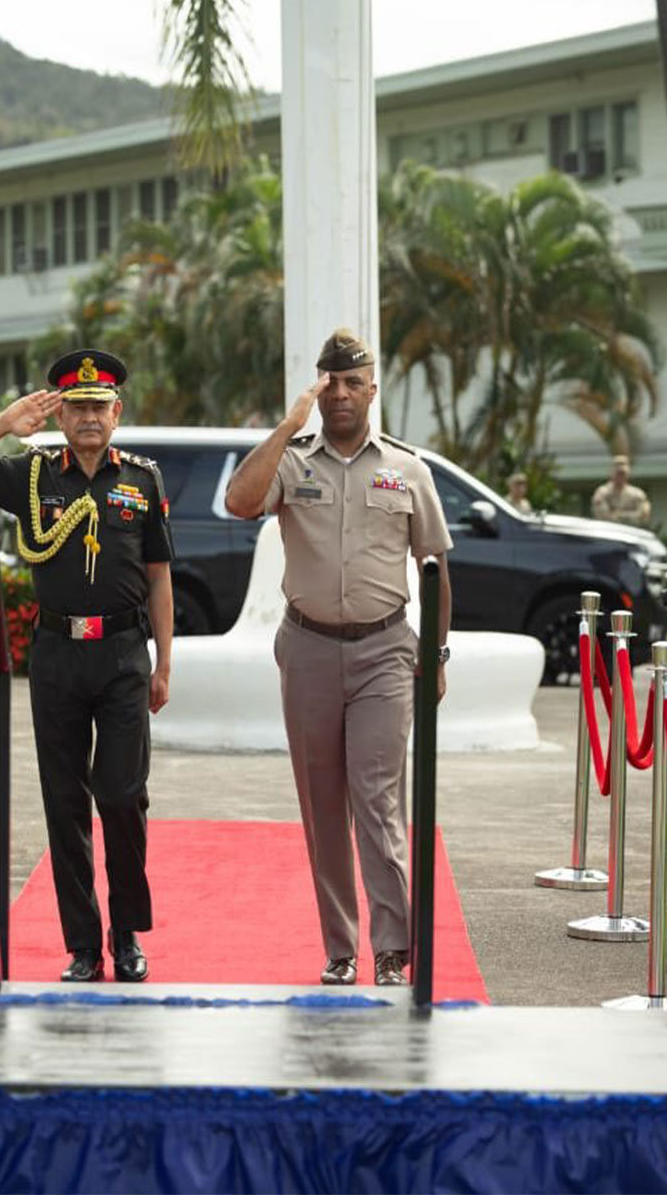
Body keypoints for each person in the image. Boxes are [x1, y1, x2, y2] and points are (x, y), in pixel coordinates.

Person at [223, 329, 453, 987]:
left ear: (373, 390)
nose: (344, 394)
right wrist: (288, 423)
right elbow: (240, 503)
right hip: (309, 648)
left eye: (355, 383)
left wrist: (435, 651)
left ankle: (392, 946)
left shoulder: (408, 468)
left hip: (386, 649)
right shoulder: (292, 462)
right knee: (322, 804)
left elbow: (433, 564)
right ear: (320, 389)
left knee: (376, 800)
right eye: (333, 384)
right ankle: (340, 947)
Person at [0, 348, 173, 983]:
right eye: (76, 407)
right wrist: (4, 422)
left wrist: (164, 664)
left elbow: (159, 578)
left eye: (99, 407)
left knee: (122, 797)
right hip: (57, 656)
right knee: (64, 802)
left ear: (116, 413)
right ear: (60, 415)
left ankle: (127, 936)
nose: (89, 417)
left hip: (124, 655)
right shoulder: (34, 474)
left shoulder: (143, 479)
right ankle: (83, 945)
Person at [591, 454, 650, 526]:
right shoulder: (602, 493)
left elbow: (642, 518)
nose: (620, 476)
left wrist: (616, 514)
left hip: (631, 533)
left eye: (623, 473)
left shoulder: (637, 494)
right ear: (611, 472)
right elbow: (603, 517)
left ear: (628, 473)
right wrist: (629, 515)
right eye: (618, 473)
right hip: (608, 533)